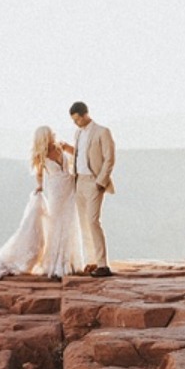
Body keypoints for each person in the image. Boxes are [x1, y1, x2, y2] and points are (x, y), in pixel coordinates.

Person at [0, 126, 83, 280]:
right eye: (50, 134)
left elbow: (78, 154)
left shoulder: (60, 146)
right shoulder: (40, 155)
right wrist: (40, 187)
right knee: (56, 224)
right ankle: (56, 264)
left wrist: (69, 147)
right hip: (56, 191)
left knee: (70, 222)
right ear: (44, 137)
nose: (53, 135)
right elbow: (39, 174)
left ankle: (70, 262)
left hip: (69, 188)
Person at [69, 101, 115, 278]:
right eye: (73, 120)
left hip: (94, 182)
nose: (76, 123)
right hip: (79, 181)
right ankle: (92, 261)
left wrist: (100, 182)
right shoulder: (78, 133)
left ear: (85, 115)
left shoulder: (102, 132)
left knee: (93, 221)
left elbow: (109, 158)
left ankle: (103, 265)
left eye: (77, 119)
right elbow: (80, 155)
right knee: (84, 223)